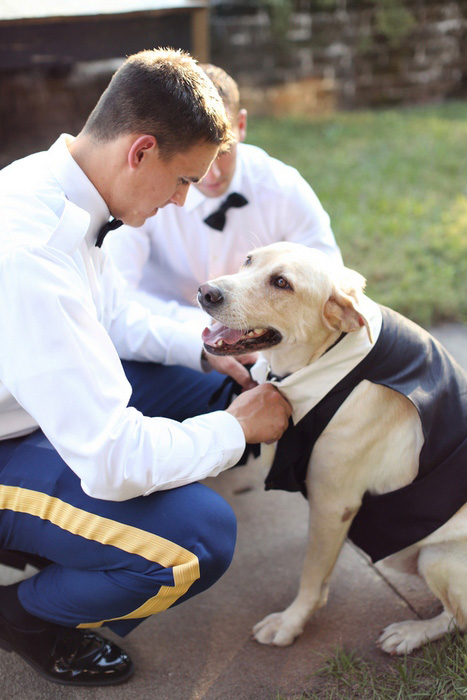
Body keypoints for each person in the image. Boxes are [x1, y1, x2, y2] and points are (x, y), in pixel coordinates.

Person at [0, 48, 291, 687]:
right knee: (199, 539)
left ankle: (60, 542)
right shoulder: (32, 250)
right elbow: (112, 461)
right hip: (8, 443)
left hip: (36, 408)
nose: (185, 200)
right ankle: (22, 617)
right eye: (184, 179)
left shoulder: (67, 184)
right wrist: (237, 431)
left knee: (219, 385)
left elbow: (113, 319)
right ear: (141, 151)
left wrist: (207, 343)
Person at [106, 63, 342, 326]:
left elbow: (331, 283)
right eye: (199, 158)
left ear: (241, 125)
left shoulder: (284, 188)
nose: (212, 174)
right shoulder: (143, 194)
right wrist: (205, 329)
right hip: (156, 337)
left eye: (224, 150)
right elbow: (115, 297)